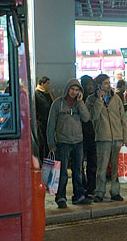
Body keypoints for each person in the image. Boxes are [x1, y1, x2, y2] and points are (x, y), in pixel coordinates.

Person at [46, 78, 91, 209]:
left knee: (78, 171)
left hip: (78, 142)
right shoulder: (57, 104)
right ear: (67, 89)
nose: (74, 92)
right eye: (72, 89)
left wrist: (81, 102)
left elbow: (86, 118)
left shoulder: (79, 104)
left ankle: (79, 196)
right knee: (62, 173)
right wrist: (51, 144)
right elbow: (50, 125)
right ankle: (61, 197)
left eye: (77, 90)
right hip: (62, 143)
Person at [86, 74, 127, 202]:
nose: (108, 85)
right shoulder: (91, 99)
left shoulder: (116, 98)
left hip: (117, 137)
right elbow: (92, 117)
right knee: (102, 167)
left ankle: (115, 191)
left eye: (109, 82)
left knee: (117, 167)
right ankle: (99, 191)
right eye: (105, 83)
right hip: (102, 138)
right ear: (99, 85)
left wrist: (125, 136)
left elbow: (123, 118)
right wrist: (99, 100)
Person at [80, 75, 98, 198]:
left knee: (92, 163)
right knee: (79, 164)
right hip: (81, 136)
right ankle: (82, 186)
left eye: (91, 84)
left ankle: (91, 187)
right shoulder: (79, 100)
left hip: (93, 135)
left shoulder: (96, 99)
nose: (90, 87)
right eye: (87, 85)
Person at [35, 76, 54, 161]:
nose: (49, 85)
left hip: (49, 122)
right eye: (47, 83)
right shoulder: (36, 94)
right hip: (41, 123)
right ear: (42, 84)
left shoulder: (48, 94)